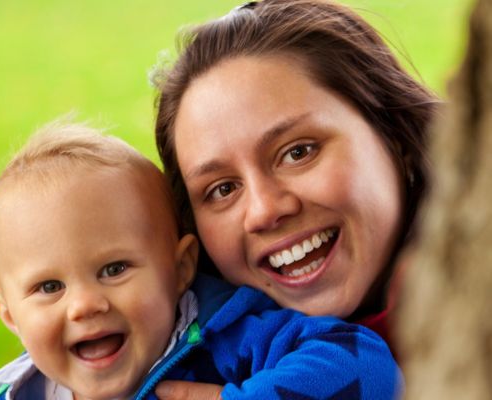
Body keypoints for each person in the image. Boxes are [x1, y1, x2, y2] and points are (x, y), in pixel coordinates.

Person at [0, 120, 401, 399]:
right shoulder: (24, 392)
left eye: (114, 270)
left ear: (181, 270)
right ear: (9, 314)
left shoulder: (225, 341)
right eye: (49, 287)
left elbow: (366, 365)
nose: (84, 306)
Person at [153, 0, 438, 398]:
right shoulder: (168, 360)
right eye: (223, 189)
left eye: (298, 152)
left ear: (394, 137)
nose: (265, 210)